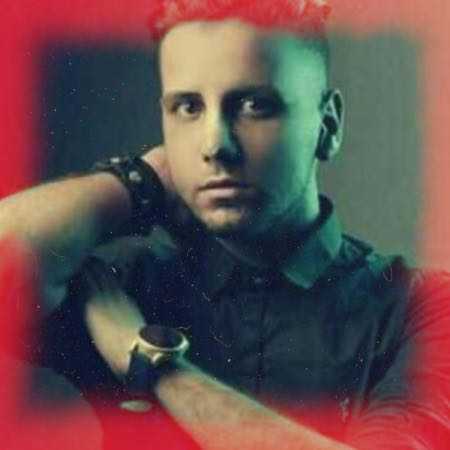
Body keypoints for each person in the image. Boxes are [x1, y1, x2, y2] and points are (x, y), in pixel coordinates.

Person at [0, 1, 449, 449]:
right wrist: (143, 180)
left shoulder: (420, 309)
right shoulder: (128, 282)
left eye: (254, 105)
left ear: (328, 125)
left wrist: (149, 361)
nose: (214, 144)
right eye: (188, 107)